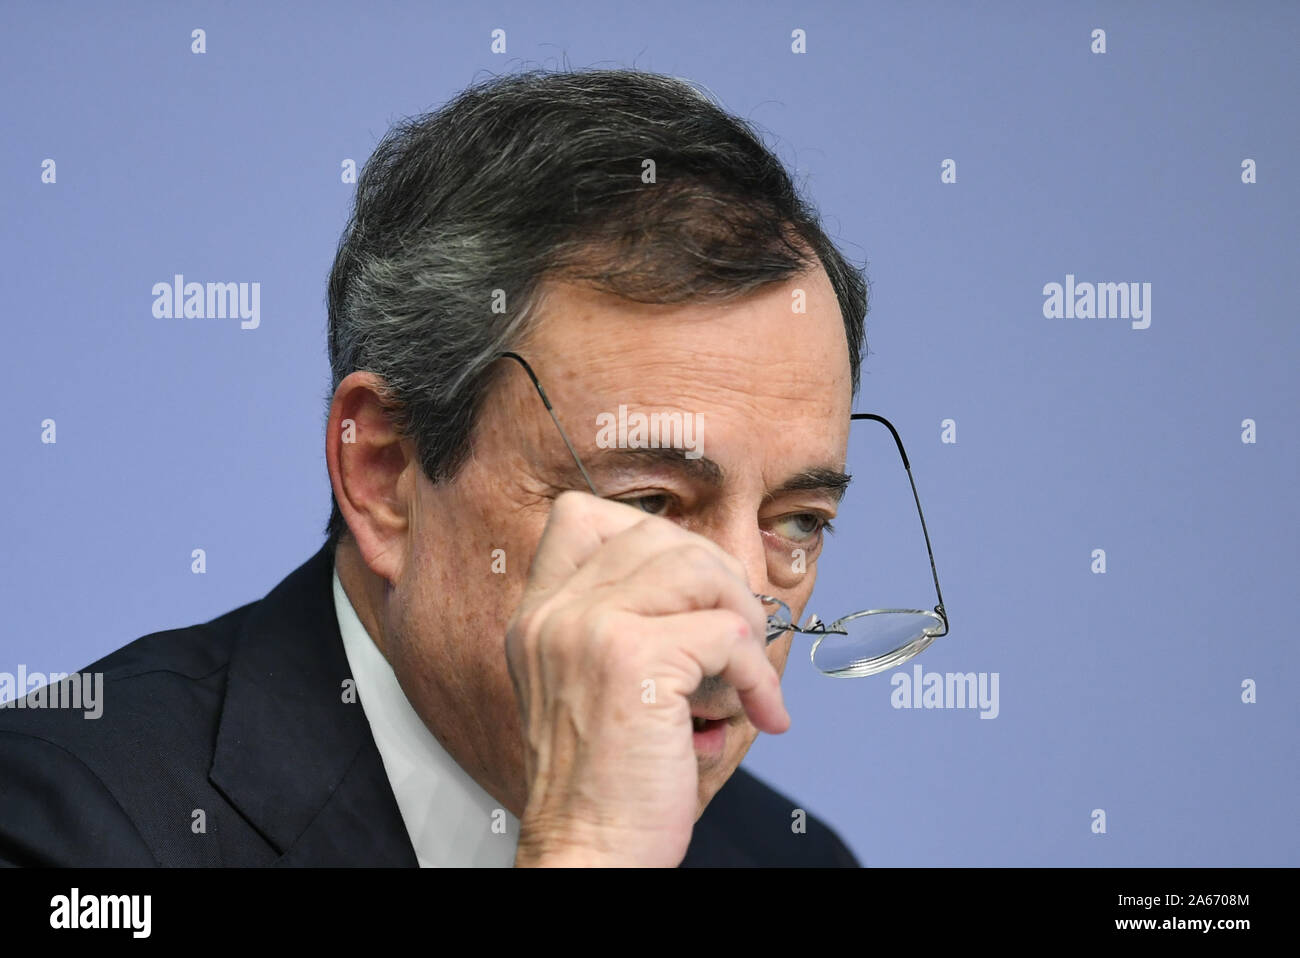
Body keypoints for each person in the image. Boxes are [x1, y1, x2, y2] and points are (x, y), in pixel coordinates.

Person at [0, 68, 867, 867]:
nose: (745, 622)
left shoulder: (788, 856)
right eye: (648, 504)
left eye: (798, 521)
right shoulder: (67, 821)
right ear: (386, 477)